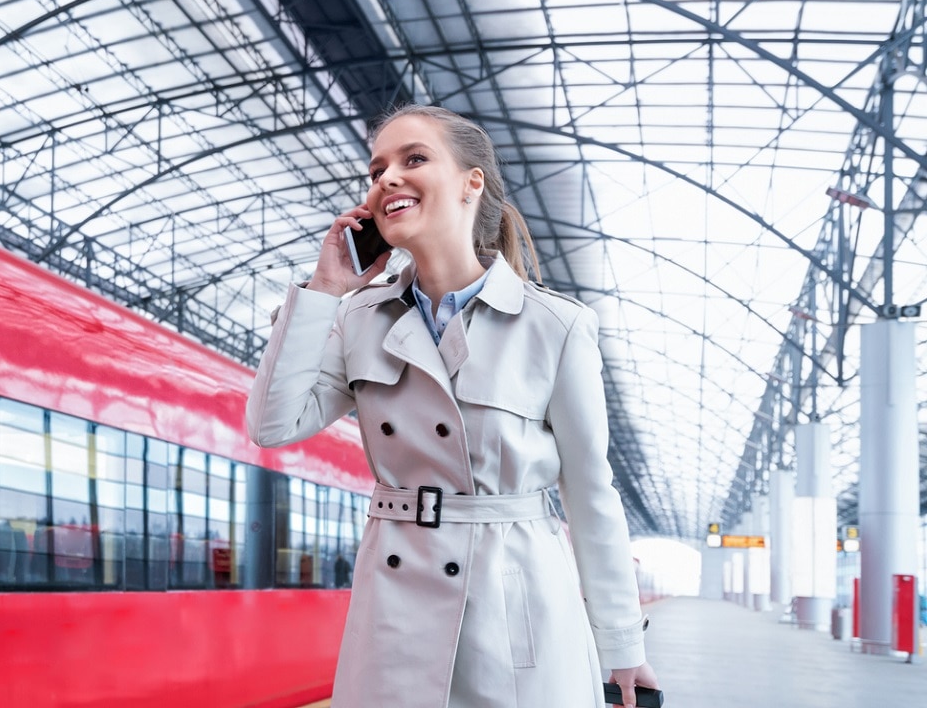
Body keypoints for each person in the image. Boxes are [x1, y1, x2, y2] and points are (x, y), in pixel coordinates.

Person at [246, 104, 659, 707]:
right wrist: (325, 291)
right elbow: (271, 425)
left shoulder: (556, 326)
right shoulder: (355, 318)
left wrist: (622, 648)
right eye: (377, 168)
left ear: (473, 182)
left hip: (516, 610)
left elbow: (591, 494)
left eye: (414, 159)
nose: (387, 178)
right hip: (392, 615)